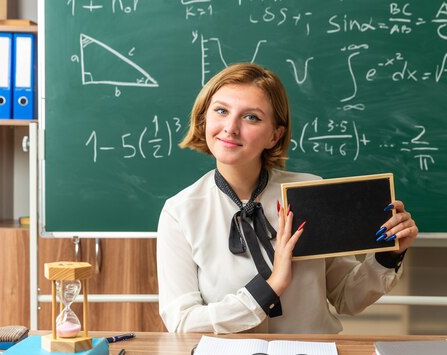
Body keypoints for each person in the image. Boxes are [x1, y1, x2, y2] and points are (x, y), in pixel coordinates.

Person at [157, 63, 418, 334]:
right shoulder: (180, 212)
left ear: (275, 135)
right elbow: (182, 321)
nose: (231, 128)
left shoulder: (311, 191)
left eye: (252, 118)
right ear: (204, 119)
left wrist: (388, 257)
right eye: (221, 111)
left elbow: (346, 296)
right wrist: (268, 289)